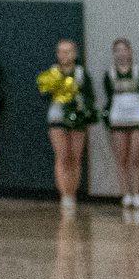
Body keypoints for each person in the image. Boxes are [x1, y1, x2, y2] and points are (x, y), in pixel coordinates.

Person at [42, 38, 95, 213]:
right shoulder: (52, 73)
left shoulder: (81, 73)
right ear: (57, 54)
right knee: (62, 155)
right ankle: (64, 194)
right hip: (57, 117)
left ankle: (72, 192)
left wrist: (84, 111)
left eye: (69, 51)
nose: (65, 55)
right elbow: (43, 93)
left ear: (75, 53)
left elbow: (89, 96)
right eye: (62, 51)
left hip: (77, 117)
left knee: (75, 157)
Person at [101, 37, 139, 212]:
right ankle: (126, 194)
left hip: (137, 115)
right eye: (117, 50)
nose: (121, 53)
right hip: (118, 116)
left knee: (136, 156)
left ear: (130, 52)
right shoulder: (109, 74)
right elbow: (108, 97)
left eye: (124, 49)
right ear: (114, 54)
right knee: (121, 158)